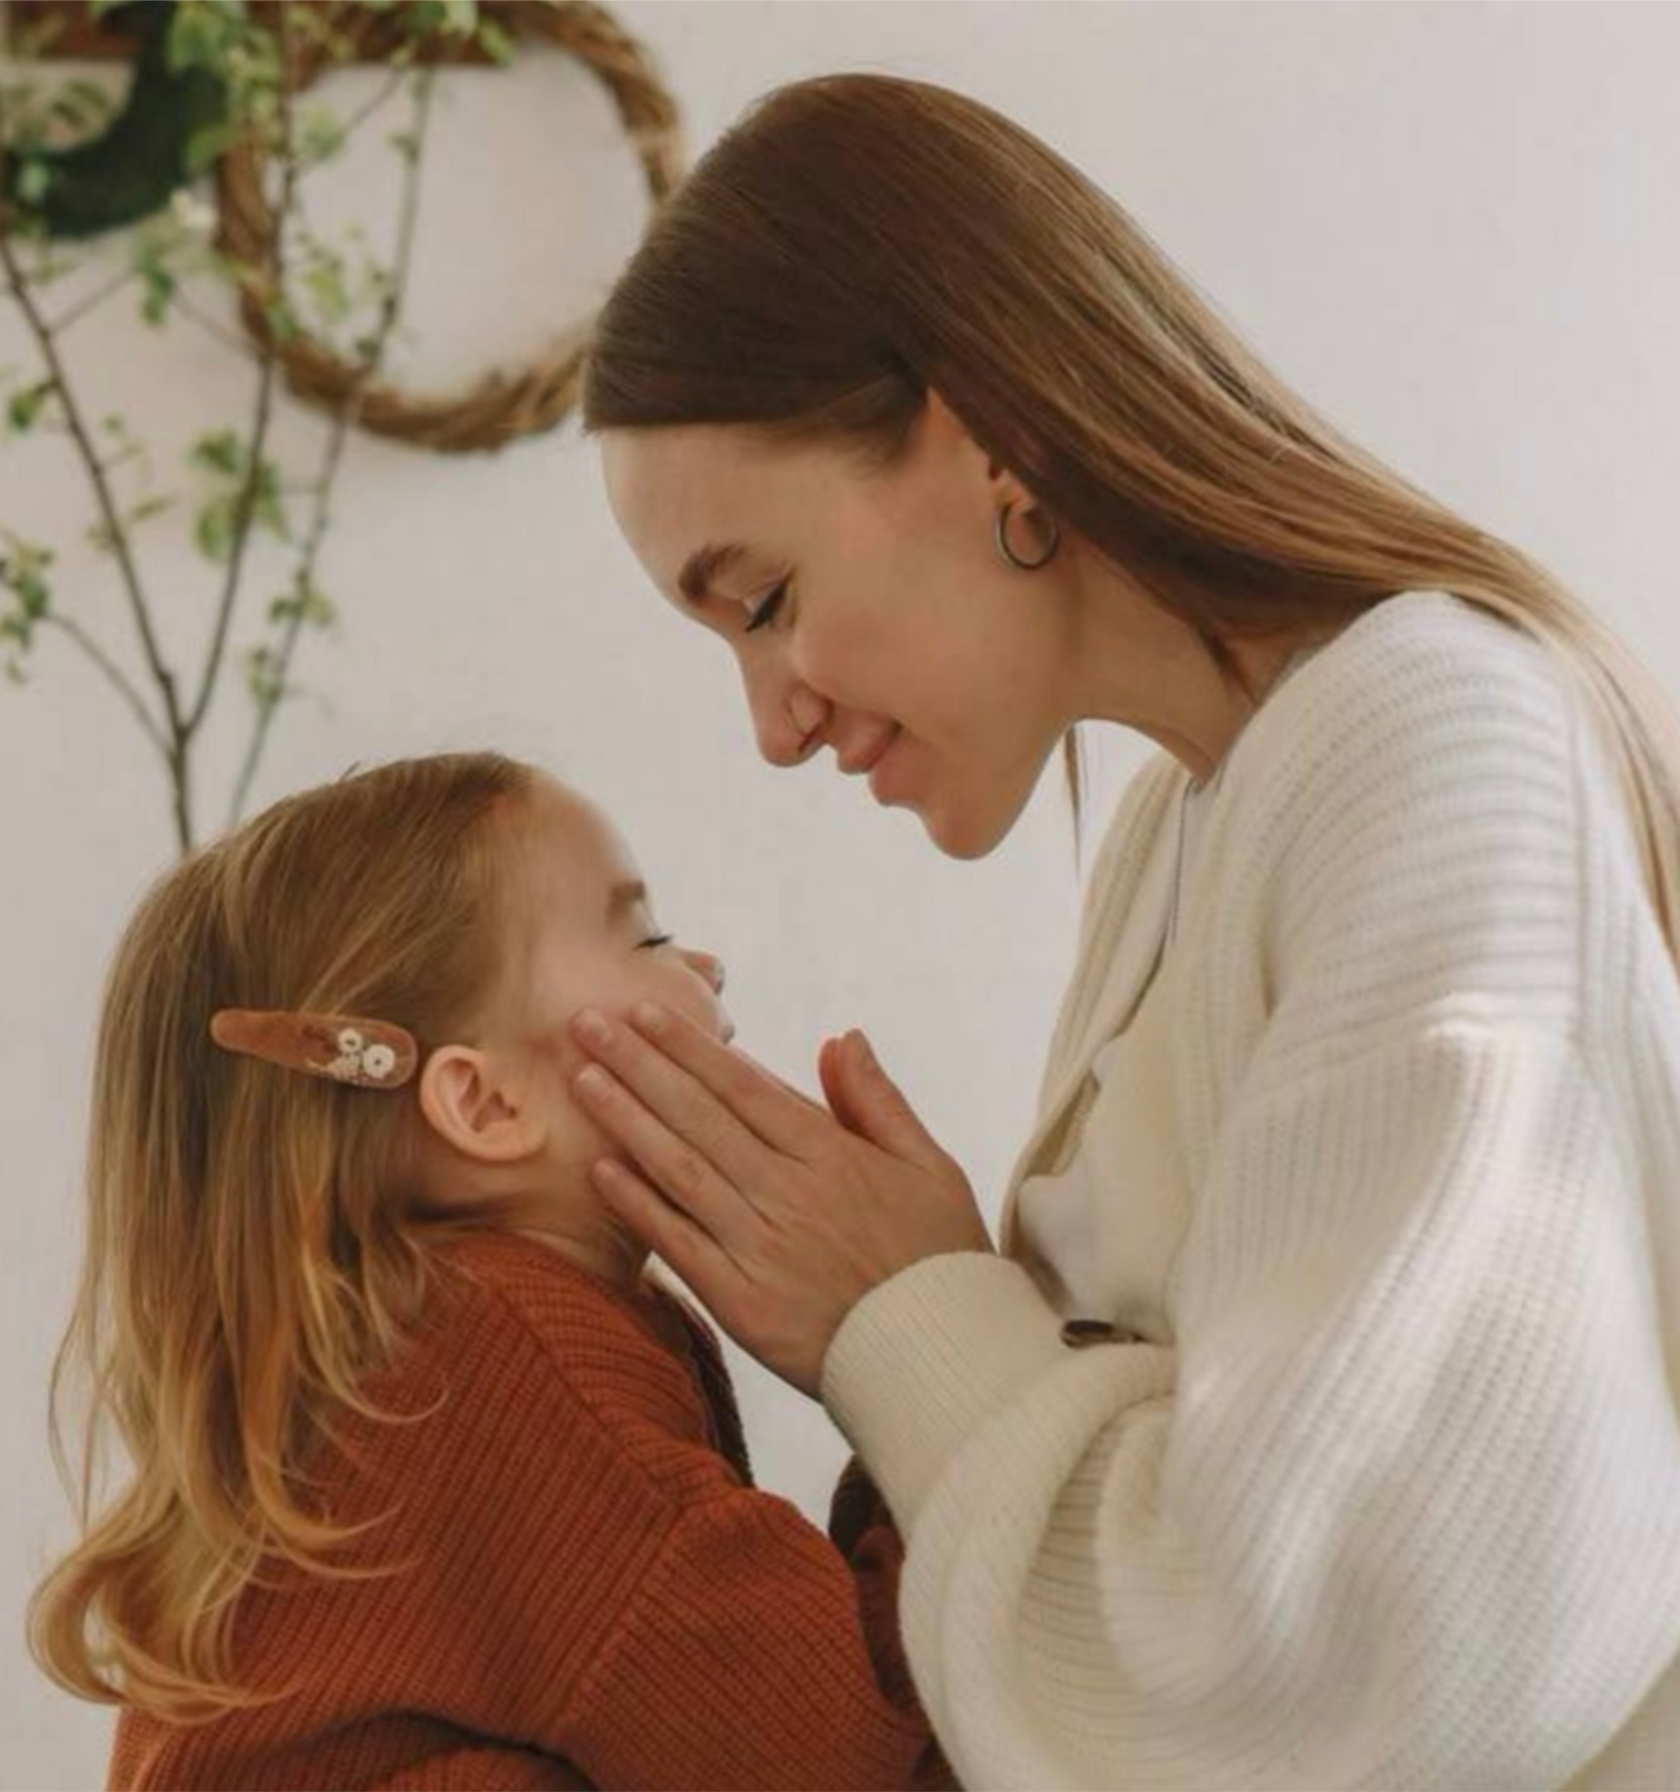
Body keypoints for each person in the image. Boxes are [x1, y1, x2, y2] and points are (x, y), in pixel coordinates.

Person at [571, 70, 1680, 1790]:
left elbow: (1345, 1658)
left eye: (766, 601)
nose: (772, 725)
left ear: (989, 438)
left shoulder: (1423, 746)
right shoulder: (1185, 818)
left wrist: (902, 1309)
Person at [27, 752, 956, 1792]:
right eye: (648, 938)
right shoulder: (498, 1354)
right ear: (485, 1104)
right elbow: (847, 1754)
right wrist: (934, 1343)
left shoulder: (407, 1345)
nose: (706, 967)